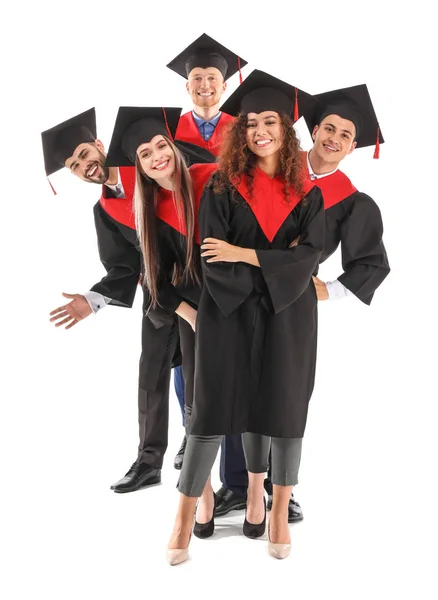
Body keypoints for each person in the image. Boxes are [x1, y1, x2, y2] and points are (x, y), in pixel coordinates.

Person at [167, 70, 325, 565]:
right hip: (229, 311)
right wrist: (275, 261)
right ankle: (182, 516)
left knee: (280, 407)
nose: (260, 129)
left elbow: (312, 256)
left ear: (286, 129)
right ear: (241, 131)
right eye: (252, 121)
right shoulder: (220, 186)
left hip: (288, 318)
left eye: (271, 121)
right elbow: (214, 258)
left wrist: (248, 253)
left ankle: (274, 509)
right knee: (210, 408)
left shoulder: (309, 193)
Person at [220, 84, 391, 519]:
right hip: (240, 292)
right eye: (328, 127)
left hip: (291, 302)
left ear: (353, 147)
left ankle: (281, 490)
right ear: (313, 130)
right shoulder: (270, 163)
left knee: (285, 391)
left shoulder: (351, 202)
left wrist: (328, 288)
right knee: (239, 387)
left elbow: (371, 263)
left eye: (346, 135)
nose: (334, 137)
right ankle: (237, 486)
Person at [43, 108, 214, 493]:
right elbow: (122, 266)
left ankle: (195, 437)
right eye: (74, 166)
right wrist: (93, 300)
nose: (86, 166)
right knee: (151, 372)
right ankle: (148, 461)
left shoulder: (153, 159)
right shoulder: (104, 209)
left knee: (197, 366)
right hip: (158, 294)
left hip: (201, 283)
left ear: (100, 145)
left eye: (86, 154)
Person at [167, 34, 249, 483]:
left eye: (212, 78)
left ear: (225, 83)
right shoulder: (166, 132)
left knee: (231, 349)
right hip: (182, 250)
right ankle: (190, 427)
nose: (204, 85)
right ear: (187, 86)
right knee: (184, 349)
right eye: (196, 78)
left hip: (230, 250)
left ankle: (238, 456)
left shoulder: (243, 129)